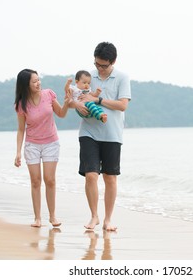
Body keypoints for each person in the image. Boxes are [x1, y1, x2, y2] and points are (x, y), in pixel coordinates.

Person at [69, 42, 131, 231]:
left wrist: (98, 100)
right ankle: (94, 216)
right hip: (89, 132)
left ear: (113, 62)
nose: (100, 69)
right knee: (90, 176)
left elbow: (122, 106)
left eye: (104, 65)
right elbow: (73, 101)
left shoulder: (122, 77)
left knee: (110, 178)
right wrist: (78, 105)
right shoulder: (88, 76)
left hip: (112, 134)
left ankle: (108, 219)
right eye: (97, 64)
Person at [14, 69, 72, 228]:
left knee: (50, 180)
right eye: (34, 81)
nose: (38, 83)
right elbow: (21, 129)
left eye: (38, 80)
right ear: (26, 85)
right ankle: (37, 218)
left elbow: (61, 113)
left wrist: (67, 102)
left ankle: (53, 217)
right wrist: (18, 152)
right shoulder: (21, 104)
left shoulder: (48, 94)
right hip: (32, 144)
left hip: (51, 143)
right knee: (35, 181)